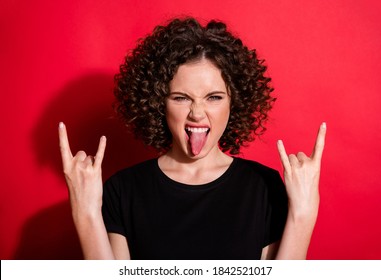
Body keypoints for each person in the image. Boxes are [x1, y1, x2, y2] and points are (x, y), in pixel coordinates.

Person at [58, 17, 326, 260]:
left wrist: (303, 213)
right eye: (181, 98)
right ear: (157, 103)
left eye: (214, 97)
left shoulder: (263, 187)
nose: (197, 113)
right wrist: (86, 212)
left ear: (235, 103)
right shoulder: (123, 190)